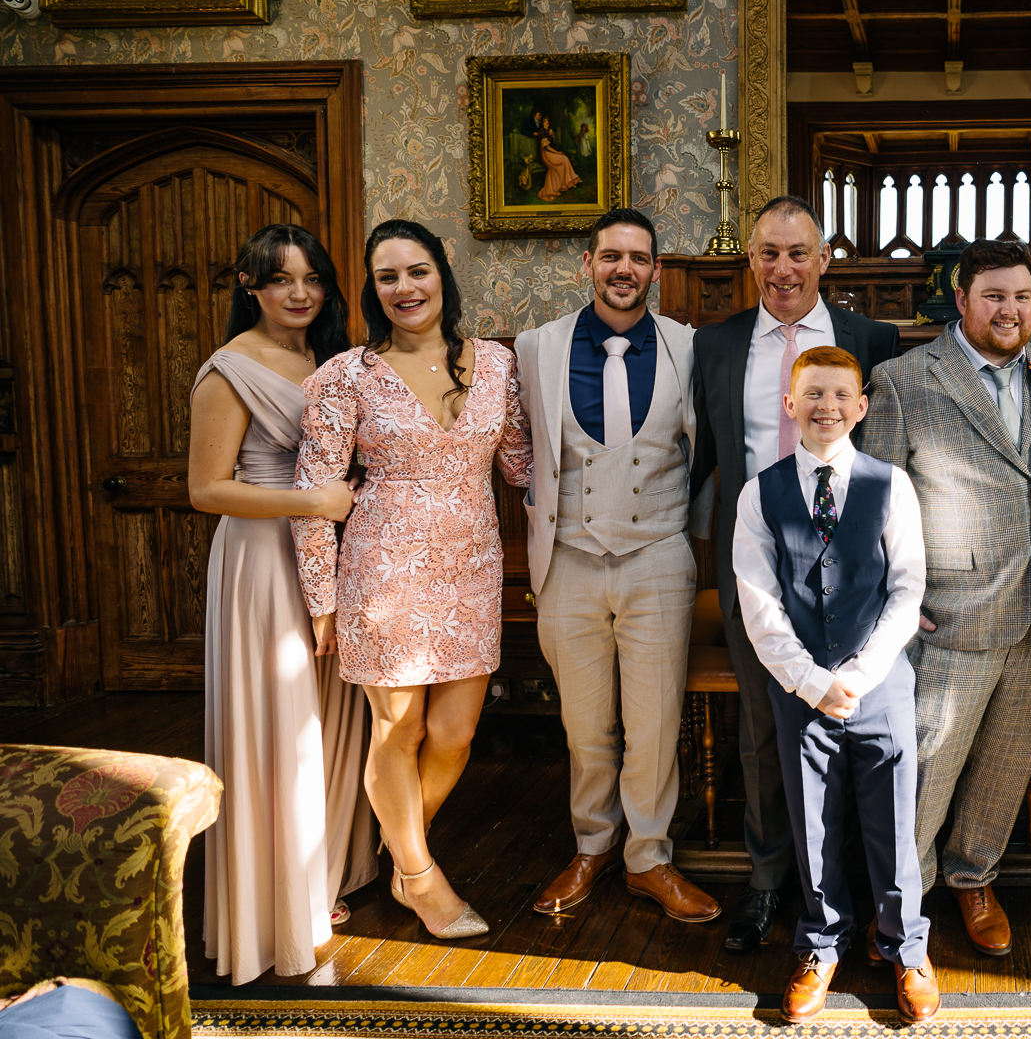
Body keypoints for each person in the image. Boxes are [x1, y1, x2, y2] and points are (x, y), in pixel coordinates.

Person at [291, 219, 533, 942]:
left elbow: (523, 465)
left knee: (455, 735)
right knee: (400, 728)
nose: (404, 288)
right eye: (388, 276)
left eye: (417, 271)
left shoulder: (495, 364)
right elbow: (314, 493)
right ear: (371, 287)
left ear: (442, 274)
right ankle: (423, 881)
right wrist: (322, 600)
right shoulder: (345, 377)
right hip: (382, 567)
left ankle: (398, 854)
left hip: (471, 566)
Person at [690, 195, 900, 951]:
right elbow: (702, 461)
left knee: (857, 723)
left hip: (858, 575)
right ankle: (770, 880)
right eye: (768, 253)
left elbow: (894, 459)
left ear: (825, 258)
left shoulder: (871, 339)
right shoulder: (714, 348)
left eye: (798, 252)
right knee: (762, 730)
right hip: (758, 569)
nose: (784, 268)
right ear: (750, 259)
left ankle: (850, 885)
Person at [863, 240, 1031, 959]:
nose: (1010, 310)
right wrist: (893, 597)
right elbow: (876, 499)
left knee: (1008, 763)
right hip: (952, 610)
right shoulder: (902, 379)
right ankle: (900, 900)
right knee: (926, 766)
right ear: (961, 300)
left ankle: (973, 875)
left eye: (1021, 296)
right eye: (994, 296)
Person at [514, 208, 718, 924]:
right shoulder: (535, 347)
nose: (623, 269)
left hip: (658, 556)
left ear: (655, 270)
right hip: (568, 558)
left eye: (637, 258)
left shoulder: (690, 347)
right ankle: (593, 846)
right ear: (589, 265)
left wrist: (688, 540)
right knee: (585, 721)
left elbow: (709, 455)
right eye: (610, 257)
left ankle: (649, 858)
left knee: (657, 719)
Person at [189, 224, 377, 983]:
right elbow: (205, 489)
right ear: (249, 286)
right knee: (281, 719)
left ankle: (318, 875)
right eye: (279, 280)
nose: (298, 294)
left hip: (331, 557)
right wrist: (315, 499)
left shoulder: (329, 359)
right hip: (264, 560)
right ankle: (272, 901)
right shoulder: (228, 369)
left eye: (311, 279)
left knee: (331, 717)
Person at [733, 347, 940, 1025]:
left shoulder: (891, 485)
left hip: (879, 683)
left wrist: (860, 674)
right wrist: (809, 682)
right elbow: (757, 600)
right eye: (812, 394)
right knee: (813, 821)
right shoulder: (759, 492)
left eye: (840, 395)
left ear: (862, 407)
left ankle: (906, 948)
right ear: (789, 406)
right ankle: (820, 946)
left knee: (894, 822)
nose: (826, 406)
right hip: (800, 689)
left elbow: (908, 590)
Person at [533, 112, 582, 202]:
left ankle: (563, 185)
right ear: (542, 123)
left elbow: (552, 144)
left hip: (550, 152)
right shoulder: (543, 132)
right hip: (546, 154)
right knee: (564, 158)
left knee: (563, 161)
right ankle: (570, 180)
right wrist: (558, 152)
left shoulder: (549, 131)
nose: (547, 122)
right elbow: (547, 147)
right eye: (545, 121)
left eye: (548, 121)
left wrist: (553, 136)